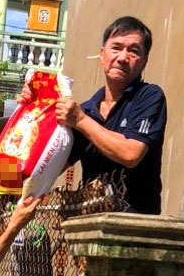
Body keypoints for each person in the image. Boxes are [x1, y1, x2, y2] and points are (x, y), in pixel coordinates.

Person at [54, 16, 167, 214]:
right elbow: (49, 165)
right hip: (89, 227)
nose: (123, 58)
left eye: (134, 51)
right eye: (116, 48)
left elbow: (131, 153)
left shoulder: (149, 97)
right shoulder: (87, 109)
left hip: (134, 229)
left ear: (144, 62)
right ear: (102, 54)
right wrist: (32, 109)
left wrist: (80, 121)